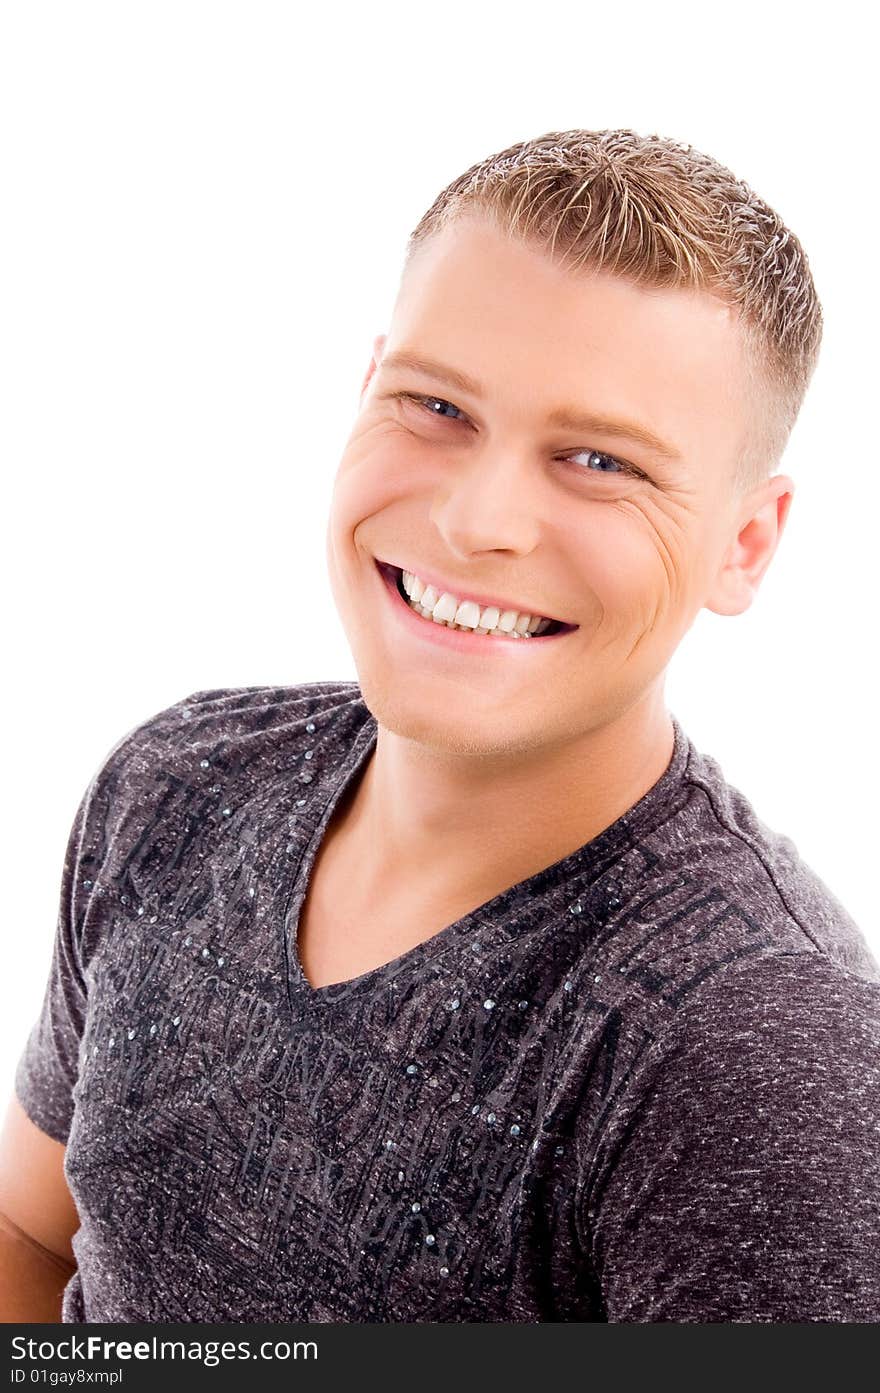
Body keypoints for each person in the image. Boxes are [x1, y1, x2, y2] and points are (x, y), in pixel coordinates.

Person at [2, 128, 878, 1324]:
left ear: (745, 543)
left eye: (598, 459)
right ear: (367, 386)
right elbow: (27, 1228)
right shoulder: (173, 784)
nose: (476, 520)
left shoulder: (756, 1049)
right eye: (437, 405)